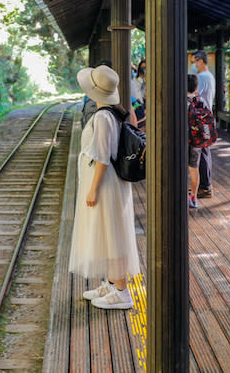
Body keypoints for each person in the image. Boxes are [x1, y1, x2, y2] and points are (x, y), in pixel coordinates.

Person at [69, 64, 141, 310]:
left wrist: (93, 189)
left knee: (112, 235)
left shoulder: (102, 117)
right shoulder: (111, 114)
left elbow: (101, 158)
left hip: (105, 183)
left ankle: (121, 291)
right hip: (109, 183)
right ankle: (112, 284)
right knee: (109, 232)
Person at [190, 50, 215, 198]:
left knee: (201, 153)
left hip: (200, 120)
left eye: (193, 62)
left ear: (200, 61)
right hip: (206, 118)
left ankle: (204, 187)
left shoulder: (202, 77)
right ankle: (205, 186)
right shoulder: (209, 76)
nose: (193, 65)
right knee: (205, 152)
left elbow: (192, 93)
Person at [187, 74, 202, 209]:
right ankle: (194, 197)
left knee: (181, 168)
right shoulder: (200, 101)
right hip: (197, 140)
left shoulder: (181, 101)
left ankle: (182, 196)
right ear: (196, 87)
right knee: (194, 169)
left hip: (183, 139)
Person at [130, 58, 146, 129]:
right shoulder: (135, 82)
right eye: (143, 68)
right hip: (140, 105)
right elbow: (137, 96)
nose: (144, 70)